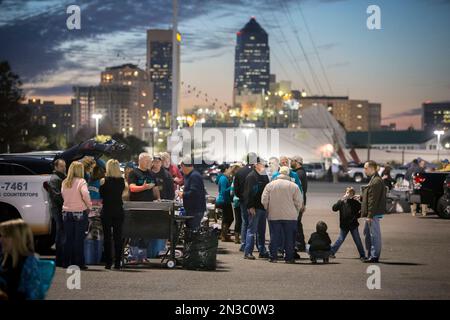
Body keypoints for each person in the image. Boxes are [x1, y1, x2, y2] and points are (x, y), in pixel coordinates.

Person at [261, 166, 303, 263]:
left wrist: (267, 208)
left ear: (279, 173)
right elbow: (299, 202)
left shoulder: (270, 185)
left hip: (273, 215)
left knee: (274, 236)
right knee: (289, 238)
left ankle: (273, 257)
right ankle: (289, 258)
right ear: (288, 174)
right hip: (290, 216)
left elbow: (264, 200)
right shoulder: (294, 186)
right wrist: (295, 211)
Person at [0, 219, 44, 300]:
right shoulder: (3, 258)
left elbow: (32, 295)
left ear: (17, 238)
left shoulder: (29, 263)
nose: (1, 240)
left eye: (5, 236)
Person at [127, 153, 160, 262]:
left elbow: (155, 188)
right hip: (136, 206)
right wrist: (143, 187)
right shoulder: (133, 173)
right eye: (147, 161)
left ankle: (142, 256)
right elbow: (131, 188)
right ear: (140, 161)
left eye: (150, 161)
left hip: (149, 207)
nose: (149, 163)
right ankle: (133, 256)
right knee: (135, 232)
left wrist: (158, 198)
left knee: (146, 232)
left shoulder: (151, 174)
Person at [61, 161, 92, 269]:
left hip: (66, 212)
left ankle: (66, 262)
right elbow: (86, 194)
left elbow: (63, 195)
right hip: (79, 212)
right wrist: (89, 206)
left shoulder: (65, 182)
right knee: (78, 239)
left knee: (68, 238)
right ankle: (79, 263)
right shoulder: (81, 181)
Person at [99, 159, 125, 270]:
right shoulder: (122, 181)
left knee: (107, 237)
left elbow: (102, 195)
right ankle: (118, 262)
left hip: (107, 211)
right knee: (118, 237)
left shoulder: (103, 181)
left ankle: (108, 262)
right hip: (118, 211)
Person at [243, 157, 270, 260]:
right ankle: (248, 252)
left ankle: (262, 251)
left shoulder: (264, 176)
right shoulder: (251, 177)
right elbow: (248, 194)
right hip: (255, 208)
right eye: (262, 164)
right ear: (256, 165)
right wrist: (250, 206)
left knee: (261, 231)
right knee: (251, 230)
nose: (264, 166)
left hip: (262, 208)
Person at [330, 187, 366, 260]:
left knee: (357, 240)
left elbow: (363, 210)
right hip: (344, 225)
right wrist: (341, 199)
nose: (348, 194)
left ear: (353, 194)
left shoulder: (355, 203)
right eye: (347, 193)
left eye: (350, 193)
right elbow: (334, 208)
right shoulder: (342, 202)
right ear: (345, 193)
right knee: (340, 239)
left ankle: (362, 255)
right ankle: (331, 252)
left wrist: (356, 216)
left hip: (353, 225)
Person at [361, 160, 386, 263]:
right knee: (367, 233)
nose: (364, 170)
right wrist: (362, 197)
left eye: (366, 168)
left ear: (372, 168)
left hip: (373, 213)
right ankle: (371, 254)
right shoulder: (374, 179)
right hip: (372, 213)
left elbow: (373, 200)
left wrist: (370, 215)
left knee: (374, 235)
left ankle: (374, 256)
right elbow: (371, 196)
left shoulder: (376, 181)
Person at [233, 153, 257, 251]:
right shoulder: (257, 171)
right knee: (253, 224)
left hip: (243, 201)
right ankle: (253, 245)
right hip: (255, 202)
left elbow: (236, 189)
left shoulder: (239, 172)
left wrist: (242, 197)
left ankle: (243, 244)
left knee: (245, 222)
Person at [46, 158, 66, 267]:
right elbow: (57, 196)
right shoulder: (55, 179)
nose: (64, 168)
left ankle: (61, 258)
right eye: (62, 166)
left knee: (61, 232)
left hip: (60, 208)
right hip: (57, 209)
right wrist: (67, 202)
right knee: (60, 232)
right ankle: (59, 259)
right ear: (56, 167)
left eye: (65, 166)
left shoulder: (61, 177)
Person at [178, 156, 207, 230]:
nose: (181, 169)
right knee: (189, 230)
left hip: (195, 210)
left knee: (193, 231)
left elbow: (194, 192)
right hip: (190, 209)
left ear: (183, 166)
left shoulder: (194, 176)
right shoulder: (189, 175)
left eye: (181, 167)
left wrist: (183, 194)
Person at [290, 155, 308, 252]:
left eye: (292, 161)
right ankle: (300, 244)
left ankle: (299, 244)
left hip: (298, 202)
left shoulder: (299, 174)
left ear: (296, 162)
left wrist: (302, 204)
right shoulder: (300, 172)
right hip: (300, 201)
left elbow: (300, 190)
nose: (290, 162)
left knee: (296, 223)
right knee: (297, 223)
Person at [216, 164, 234, 242]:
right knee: (229, 218)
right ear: (226, 169)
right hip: (224, 201)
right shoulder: (223, 178)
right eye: (230, 168)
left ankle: (224, 235)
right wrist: (232, 186)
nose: (231, 169)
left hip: (225, 200)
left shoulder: (224, 177)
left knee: (227, 218)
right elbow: (223, 191)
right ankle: (223, 235)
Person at [230, 163, 243, 244]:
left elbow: (231, 192)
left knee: (238, 219)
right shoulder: (239, 177)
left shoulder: (234, 178)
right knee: (241, 220)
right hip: (240, 200)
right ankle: (240, 237)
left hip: (235, 201)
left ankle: (236, 237)